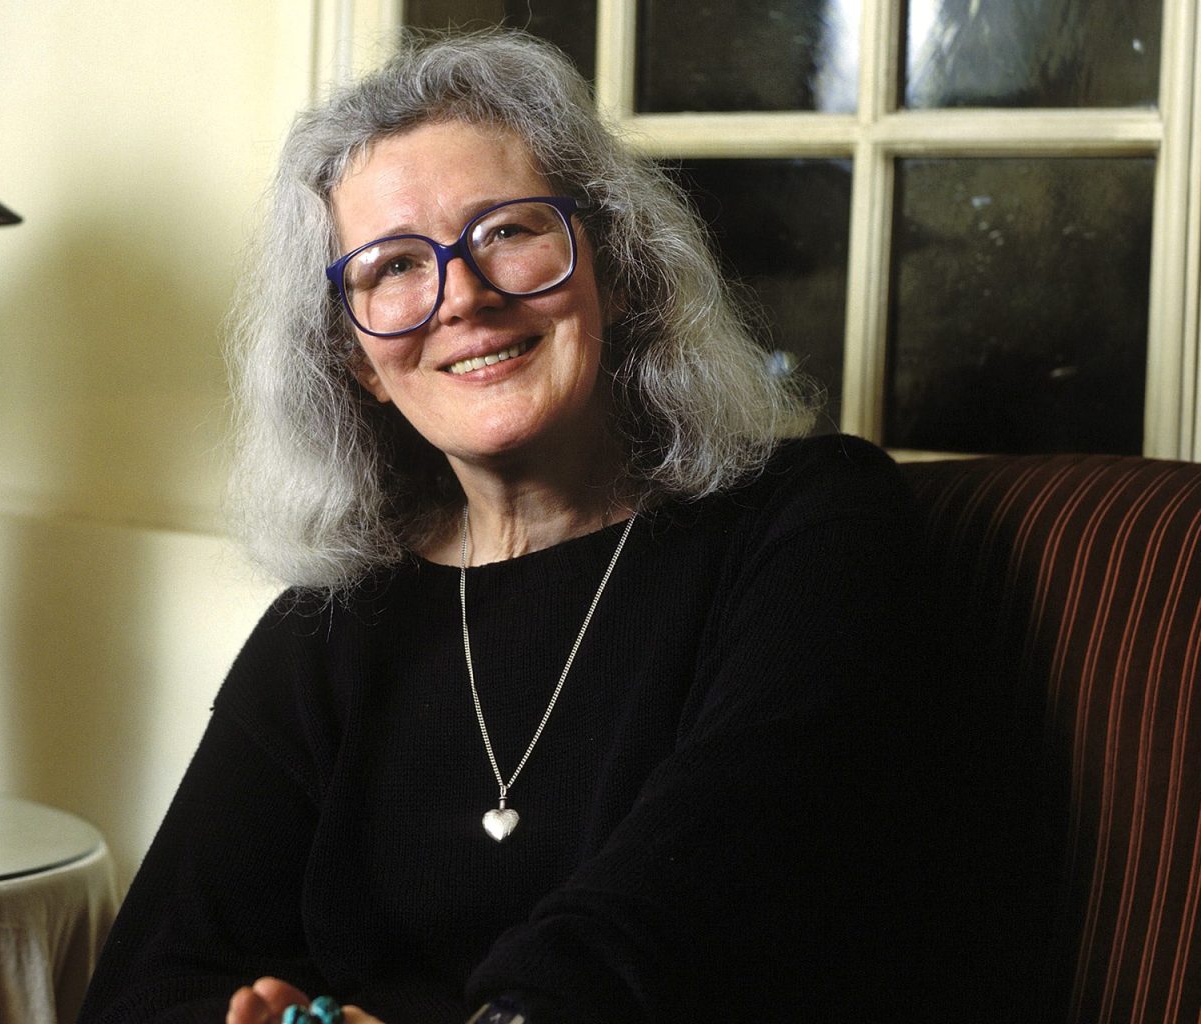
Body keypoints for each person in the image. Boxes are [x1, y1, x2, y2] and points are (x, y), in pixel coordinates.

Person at [77, 29, 965, 1024]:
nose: (462, 296)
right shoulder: (327, 628)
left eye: (506, 231)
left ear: (615, 270)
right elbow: (149, 983)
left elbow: (704, 896)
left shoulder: (810, 521)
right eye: (393, 266)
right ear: (360, 361)